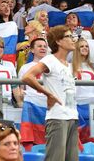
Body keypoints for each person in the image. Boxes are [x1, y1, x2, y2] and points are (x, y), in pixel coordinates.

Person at [21, 25, 79, 161]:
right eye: (69, 36)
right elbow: (27, 76)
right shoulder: (50, 60)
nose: (72, 40)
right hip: (57, 117)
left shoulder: (69, 65)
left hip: (71, 115)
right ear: (58, 41)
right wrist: (49, 94)